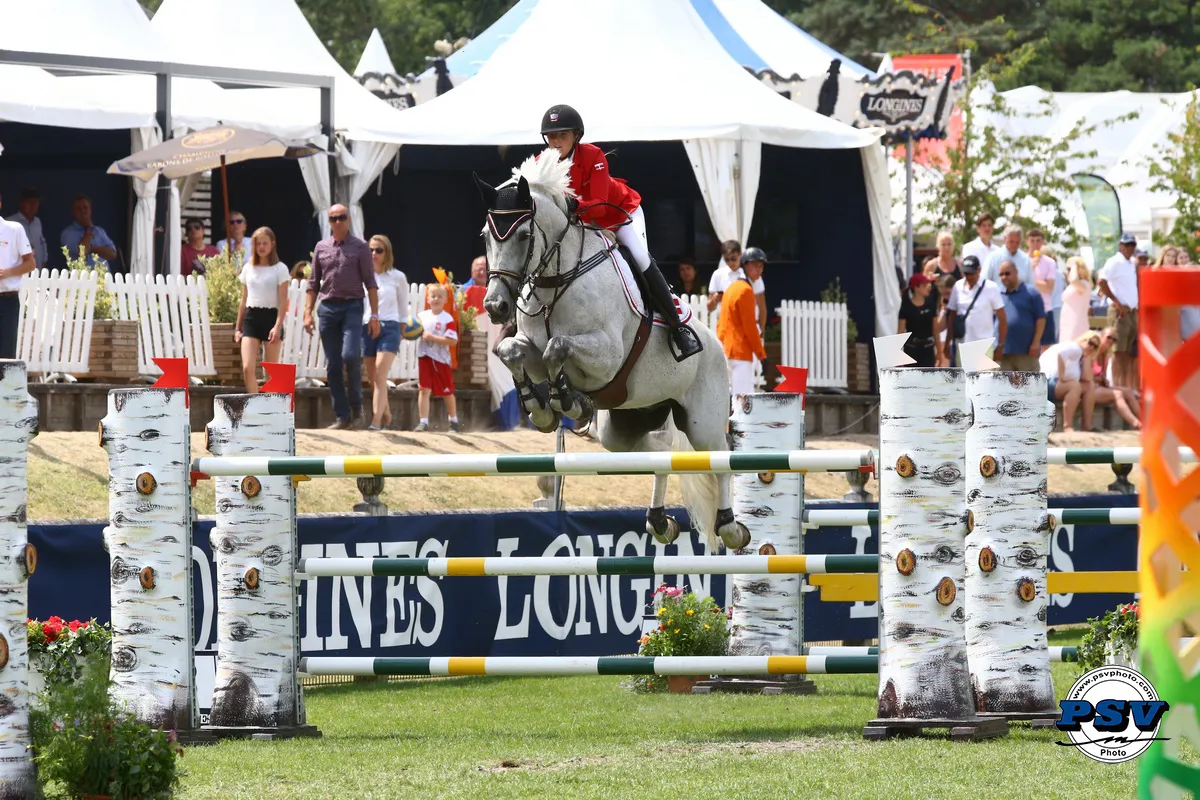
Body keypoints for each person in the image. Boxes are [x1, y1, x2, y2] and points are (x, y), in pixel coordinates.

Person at [540, 104, 701, 361]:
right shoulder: (541, 163)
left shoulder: (593, 156)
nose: (556, 141)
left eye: (563, 135)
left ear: (576, 136)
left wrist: (573, 205)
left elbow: (601, 207)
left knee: (638, 256)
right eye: (551, 136)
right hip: (581, 223)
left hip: (619, 215)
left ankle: (678, 328)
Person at [303, 204, 381, 430]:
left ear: (348, 219)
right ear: (328, 221)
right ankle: (342, 416)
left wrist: (374, 315)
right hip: (327, 308)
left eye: (342, 217)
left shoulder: (360, 247)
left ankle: (357, 407)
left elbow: (371, 283)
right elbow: (313, 283)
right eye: (333, 218)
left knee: (350, 355)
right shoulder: (321, 247)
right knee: (333, 365)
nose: (337, 222)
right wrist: (307, 313)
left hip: (352, 307)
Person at [234, 227, 290, 394]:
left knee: (270, 372)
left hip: (272, 317)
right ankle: (254, 402)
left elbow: (282, 301)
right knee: (247, 367)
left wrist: (277, 326)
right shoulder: (248, 268)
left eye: (265, 243)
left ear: (272, 244)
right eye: (258, 243)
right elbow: (243, 300)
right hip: (251, 317)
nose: (261, 247)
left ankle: (270, 409)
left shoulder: (280, 269)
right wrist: (238, 327)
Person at [363, 235, 409, 431]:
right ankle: (387, 415)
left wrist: (401, 331)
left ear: (387, 253)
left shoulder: (397, 277)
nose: (374, 254)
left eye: (379, 250)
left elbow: (403, 307)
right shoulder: (363, 276)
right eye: (371, 250)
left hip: (390, 326)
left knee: (381, 374)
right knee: (372, 377)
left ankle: (376, 421)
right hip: (366, 326)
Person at [716, 247, 767, 398]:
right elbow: (750, 327)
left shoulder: (731, 287)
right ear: (745, 265)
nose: (759, 269)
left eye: (761, 265)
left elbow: (722, 323)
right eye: (755, 265)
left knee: (730, 401)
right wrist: (762, 355)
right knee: (744, 402)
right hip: (740, 353)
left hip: (726, 350)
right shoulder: (745, 290)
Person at [944, 255, 1007, 365]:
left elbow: (1002, 318)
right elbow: (952, 316)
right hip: (962, 345)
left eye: (971, 273)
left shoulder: (991, 287)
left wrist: (1000, 345)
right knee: (964, 380)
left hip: (984, 345)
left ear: (979, 270)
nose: (969, 276)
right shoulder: (957, 286)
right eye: (966, 273)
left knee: (984, 381)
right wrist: (947, 342)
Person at [414, 283, 459, 432]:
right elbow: (413, 332)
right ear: (428, 298)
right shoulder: (421, 316)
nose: (436, 299)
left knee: (447, 392)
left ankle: (453, 421)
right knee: (424, 390)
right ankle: (423, 422)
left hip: (441, 360)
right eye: (433, 296)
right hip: (424, 357)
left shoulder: (448, 319)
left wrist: (433, 337)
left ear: (445, 300)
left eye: (440, 296)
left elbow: (453, 341)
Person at [1097, 232, 1139, 389]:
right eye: (1127, 245)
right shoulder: (1114, 261)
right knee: (1117, 351)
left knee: (1127, 353)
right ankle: (1117, 387)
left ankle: (1125, 388)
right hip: (1120, 312)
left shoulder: (1130, 263)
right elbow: (1101, 281)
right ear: (1121, 245)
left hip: (1131, 312)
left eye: (1132, 245)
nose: (1129, 248)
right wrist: (1117, 303)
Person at [0, 191, 36, 359]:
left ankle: (5, 386)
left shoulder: (13, 229)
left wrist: (7, 273)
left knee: (6, 356)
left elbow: (31, 263)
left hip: (8, 298)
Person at [995, 259, 1045, 372]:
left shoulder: (1032, 293)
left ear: (1016, 272)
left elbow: (1041, 319)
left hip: (1026, 352)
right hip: (1003, 353)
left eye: (1007, 273)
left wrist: (1036, 343)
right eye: (1001, 274)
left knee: (1029, 387)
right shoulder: (998, 295)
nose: (1004, 277)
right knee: (1003, 388)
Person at [1040, 333, 1097, 432]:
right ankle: (1068, 426)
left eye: (1095, 347)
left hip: (1050, 383)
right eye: (1090, 343)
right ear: (1083, 340)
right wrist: (1062, 376)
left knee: (1089, 386)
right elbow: (1061, 353)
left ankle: (1087, 425)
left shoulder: (1078, 355)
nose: (1092, 347)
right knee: (1074, 386)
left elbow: (1087, 378)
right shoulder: (1075, 348)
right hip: (1045, 382)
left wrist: (1086, 357)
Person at [60, 194, 117, 270]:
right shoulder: (68, 234)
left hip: (102, 278)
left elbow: (112, 254)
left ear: (90, 210)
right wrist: (88, 230)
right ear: (73, 212)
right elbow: (82, 252)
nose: (83, 211)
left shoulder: (99, 231)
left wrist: (92, 248)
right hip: (81, 278)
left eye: (85, 208)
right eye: (79, 209)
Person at [1027, 229, 1061, 352]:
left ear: (1042, 242)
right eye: (1032, 241)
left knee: (1046, 348)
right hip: (1026, 309)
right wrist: (1030, 267)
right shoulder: (1022, 260)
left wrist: (1029, 279)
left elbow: (1048, 288)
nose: (1035, 244)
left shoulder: (1050, 262)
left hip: (1045, 309)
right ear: (1027, 242)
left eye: (1038, 241)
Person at [897, 273, 938, 367]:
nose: (928, 287)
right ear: (916, 287)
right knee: (912, 379)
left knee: (928, 379)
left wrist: (939, 352)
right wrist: (898, 356)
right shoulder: (906, 307)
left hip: (928, 348)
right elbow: (901, 332)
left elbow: (936, 330)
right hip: (911, 348)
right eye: (924, 285)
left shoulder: (930, 305)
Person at [7, 188, 46, 270]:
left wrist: (44, 261)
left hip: (38, 271)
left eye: (35, 203)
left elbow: (42, 243)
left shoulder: (37, 222)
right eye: (29, 202)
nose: (33, 206)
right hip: (18, 272)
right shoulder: (10, 222)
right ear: (21, 203)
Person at [1058, 257, 1092, 344]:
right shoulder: (1073, 286)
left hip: (1077, 324)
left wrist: (1073, 265)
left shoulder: (1084, 284)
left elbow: (1073, 279)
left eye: (1069, 269)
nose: (1067, 271)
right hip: (1067, 322)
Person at [934, 273, 957, 367]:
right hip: (943, 343)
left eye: (948, 293)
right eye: (943, 294)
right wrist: (944, 310)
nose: (946, 297)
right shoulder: (940, 303)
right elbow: (939, 328)